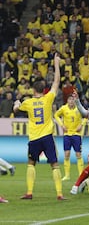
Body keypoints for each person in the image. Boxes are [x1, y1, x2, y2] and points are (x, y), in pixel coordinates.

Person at [12, 53, 66, 200]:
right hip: (47, 136)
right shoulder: (48, 99)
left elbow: (16, 110)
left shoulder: (28, 102)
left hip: (34, 138)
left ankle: (29, 192)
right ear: (43, 90)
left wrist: (16, 104)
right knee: (54, 164)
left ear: (33, 90)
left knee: (31, 163)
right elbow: (56, 82)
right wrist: (56, 64)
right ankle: (59, 194)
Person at [54, 95, 86, 181]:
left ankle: (81, 175)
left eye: (73, 99)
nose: (71, 101)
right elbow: (56, 115)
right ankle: (67, 175)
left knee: (78, 154)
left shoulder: (79, 108)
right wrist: (61, 125)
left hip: (77, 134)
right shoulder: (63, 108)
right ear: (67, 100)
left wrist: (81, 125)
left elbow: (86, 116)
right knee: (67, 154)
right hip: (67, 134)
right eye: (70, 99)